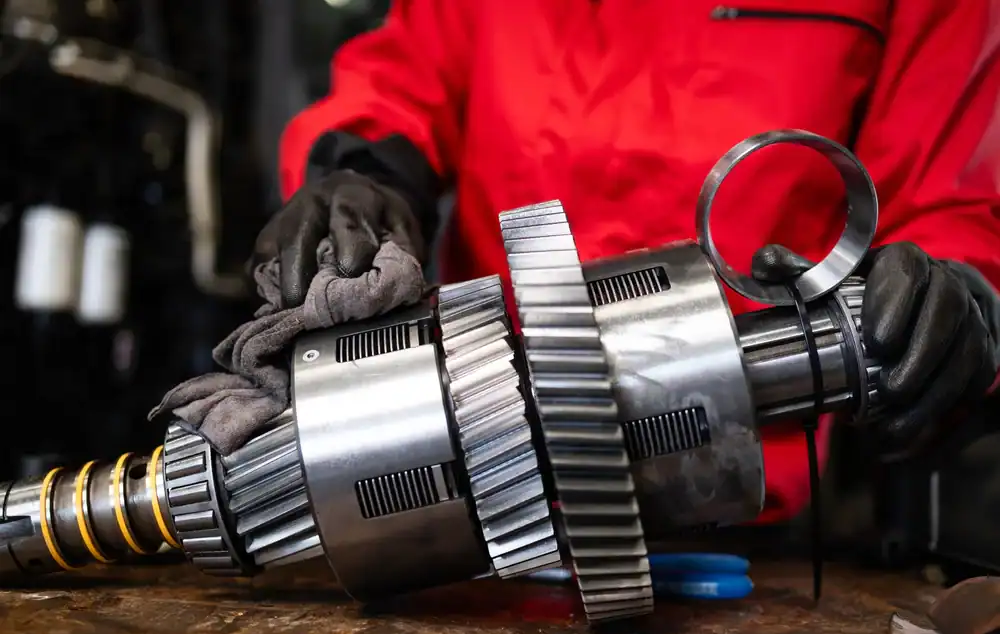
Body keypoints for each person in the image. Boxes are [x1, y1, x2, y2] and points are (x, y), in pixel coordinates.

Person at [255, 1, 1000, 524]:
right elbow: (403, 78)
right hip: (465, 471)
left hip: (745, 509)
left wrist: (960, 293)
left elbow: (953, 191)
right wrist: (362, 172)